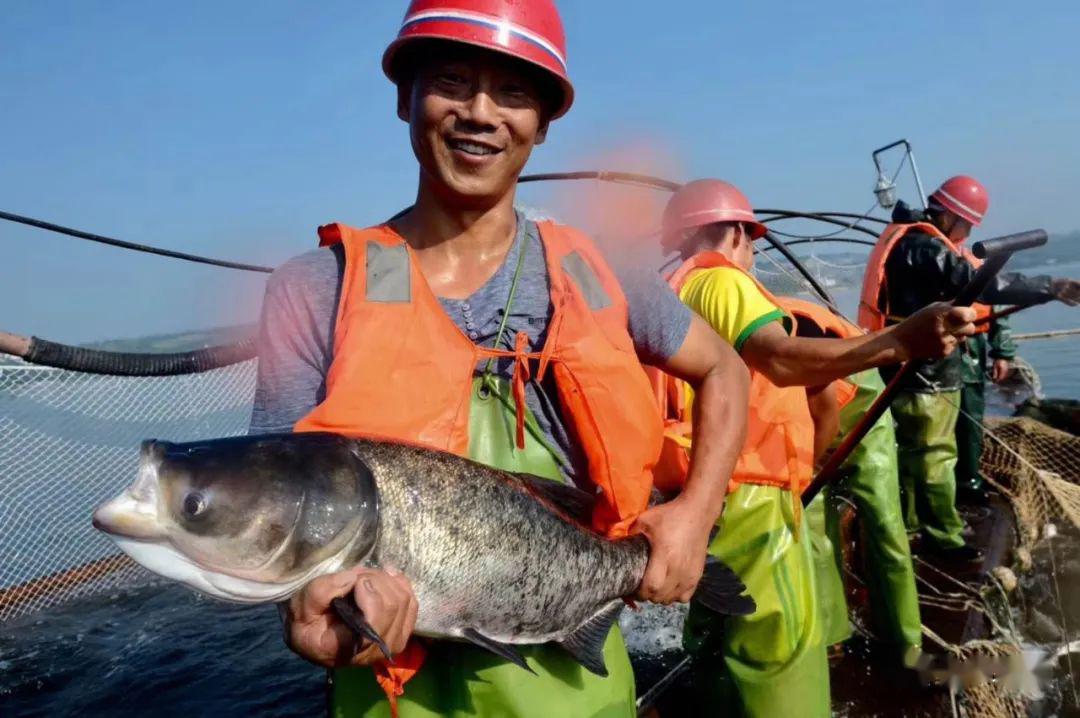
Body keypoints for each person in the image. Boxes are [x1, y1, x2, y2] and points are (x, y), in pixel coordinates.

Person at [249, 2, 753, 716]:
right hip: (388, 686)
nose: (480, 113)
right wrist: (304, 609)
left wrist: (696, 514)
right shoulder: (313, 286)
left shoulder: (600, 269)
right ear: (406, 97)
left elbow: (726, 369)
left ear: (544, 124)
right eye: (452, 81)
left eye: (513, 92)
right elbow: (277, 507)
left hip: (576, 687)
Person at [654, 179, 977, 718]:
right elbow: (784, 362)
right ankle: (892, 654)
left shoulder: (669, 293)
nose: (753, 255)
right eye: (752, 241)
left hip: (701, 491)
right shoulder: (726, 284)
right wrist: (902, 341)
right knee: (784, 655)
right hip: (754, 499)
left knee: (712, 641)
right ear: (735, 232)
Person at [858, 175, 1080, 561]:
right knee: (935, 455)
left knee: (911, 452)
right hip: (926, 372)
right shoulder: (924, 248)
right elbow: (981, 282)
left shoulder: (905, 238)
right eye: (966, 227)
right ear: (951, 217)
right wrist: (1051, 286)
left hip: (901, 363)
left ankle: (911, 524)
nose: (966, 235)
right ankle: (943, 539)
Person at [781, 296, 923, 668]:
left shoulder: (783, 334)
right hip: (805, 420)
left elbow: (824, 409)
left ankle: (907, 644)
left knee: (884, 523)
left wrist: (808, 469)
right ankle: (831, 639)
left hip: (858, 406)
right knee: (812, 532)